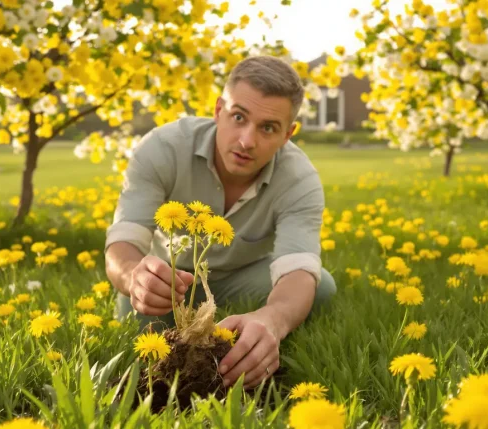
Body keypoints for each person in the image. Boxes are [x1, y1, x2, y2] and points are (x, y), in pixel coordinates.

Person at [104, 55, 337, 390]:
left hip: (244, 278)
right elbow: (124, 241)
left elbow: (297, 268)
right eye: (238, 117)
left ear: (288, 134)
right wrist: (133, 276)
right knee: (144, 355)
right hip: (168, 279)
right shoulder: (161, 148)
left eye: (268, 128)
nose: (246, 141)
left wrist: (271, 320)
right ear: (217, 111)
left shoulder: (300, 180)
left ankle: (248, 328)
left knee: (321, 286)